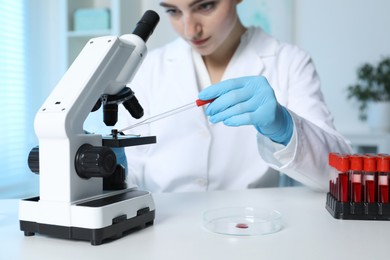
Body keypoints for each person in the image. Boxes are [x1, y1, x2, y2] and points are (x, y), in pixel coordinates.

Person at [117, 0, 352, 193]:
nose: (190, 30)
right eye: (173, 11)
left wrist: (286, 128)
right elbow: (131, 169)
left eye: (205, 6)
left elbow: (340, 175)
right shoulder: (149, 67)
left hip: (250, 229)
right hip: (164, 225)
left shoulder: (288, 62)